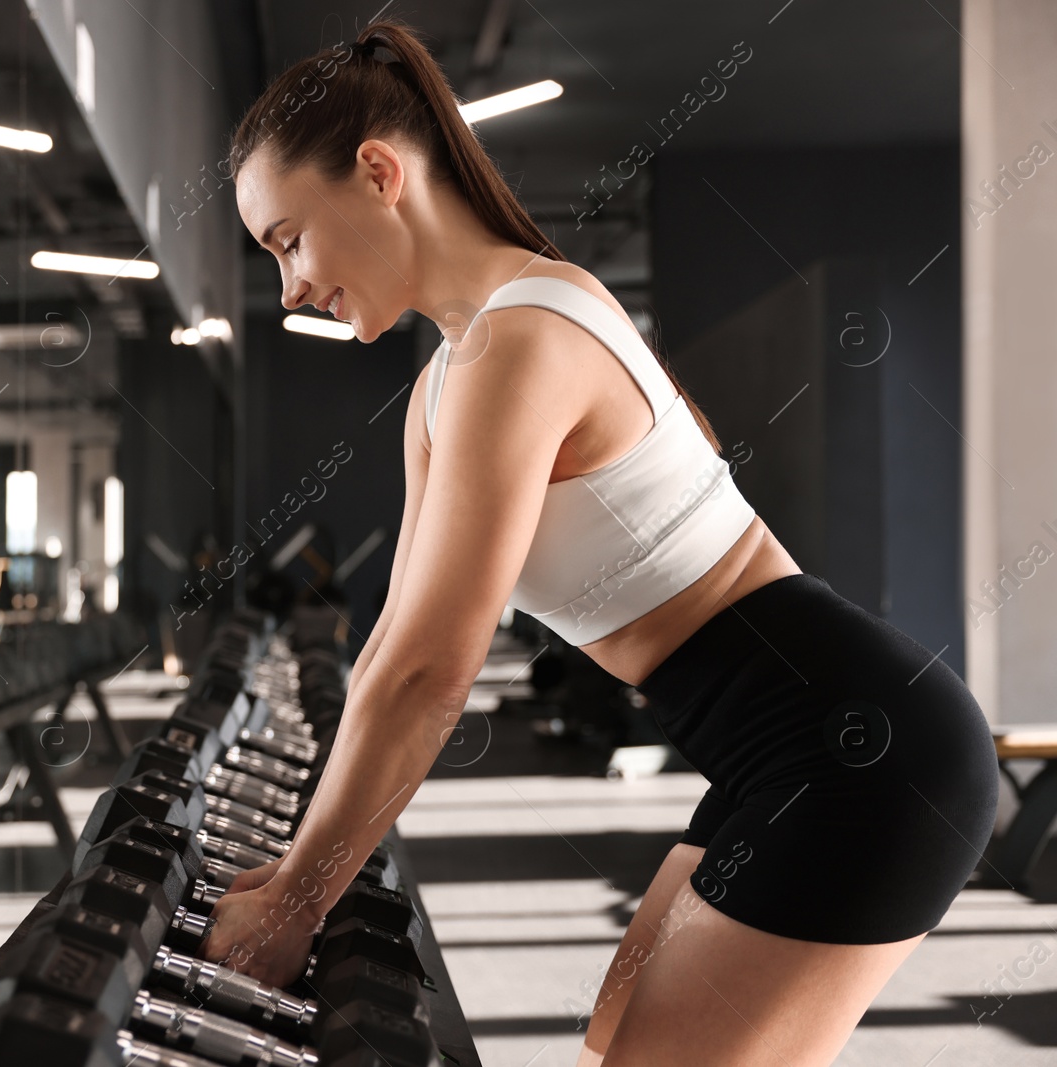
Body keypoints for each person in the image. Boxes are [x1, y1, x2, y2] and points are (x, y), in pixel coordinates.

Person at [201, 18, 1000, 1067]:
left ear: (378, 173)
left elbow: (433, 670)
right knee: (608, 1048)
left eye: (286, 240)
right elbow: (390, 643)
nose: (289, 288)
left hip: (859, 750)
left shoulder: (519, 336)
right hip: (775, 752)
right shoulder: (451, 373)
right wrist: (296, 859)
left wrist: (302, 898)